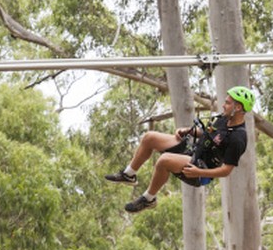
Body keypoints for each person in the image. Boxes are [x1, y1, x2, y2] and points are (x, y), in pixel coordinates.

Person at [106, 86, 256, 213]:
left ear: (238, 108)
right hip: (194, 150)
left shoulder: (238, 138)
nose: (223, 105)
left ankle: (148, 199)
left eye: (228, 103)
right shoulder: (224, 119)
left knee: (164, 161)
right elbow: (210, 134)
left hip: (200, 167)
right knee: (149, 137)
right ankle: (128, 175)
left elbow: (226, 170)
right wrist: (189, 131)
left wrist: (199, 172)